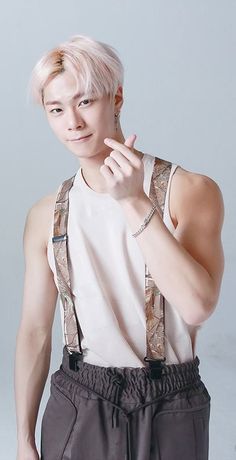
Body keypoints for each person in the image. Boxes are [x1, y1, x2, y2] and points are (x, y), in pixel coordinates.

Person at [14, 34, 224, 460]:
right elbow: (35, 332)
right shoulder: (45, 215)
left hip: (170, 399)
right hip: (80, 397)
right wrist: (23, 438)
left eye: (85, 101)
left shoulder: (189, 190)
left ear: (117, 97)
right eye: (56, 110)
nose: (72, 121)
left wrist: (132, 200)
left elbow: (198, 306)